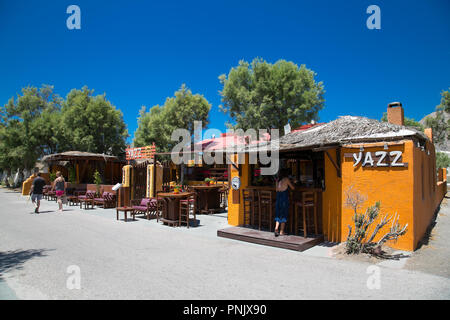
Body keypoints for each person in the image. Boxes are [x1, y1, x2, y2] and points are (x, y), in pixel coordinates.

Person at [274, 168, 295, 237]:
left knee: (278, 213)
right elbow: (293, 188)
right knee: (283, 213)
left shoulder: (277, 180)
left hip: (278, 197)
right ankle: (281, 231)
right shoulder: (286, 179)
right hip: (284, 198)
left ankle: (276, 227)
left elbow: (276, 190)